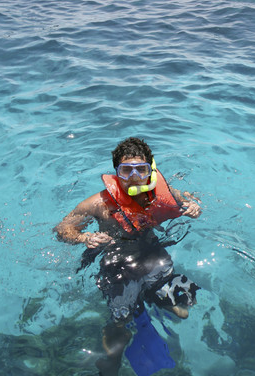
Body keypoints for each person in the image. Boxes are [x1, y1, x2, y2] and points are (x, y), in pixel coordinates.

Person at [54, 137, 202, 375]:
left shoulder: (160, 192)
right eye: (126, 170)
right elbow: (62, 229)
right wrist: (85, 238)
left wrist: (193, 206)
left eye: (140, 169)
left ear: (150, 170)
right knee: (120, 320)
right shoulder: (98, 203)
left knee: (184, 307)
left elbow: (187, 199)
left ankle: (154, 296)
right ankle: (110, 353)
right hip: (118, 263)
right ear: (116, 172)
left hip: (151, 252)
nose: (134, 176)